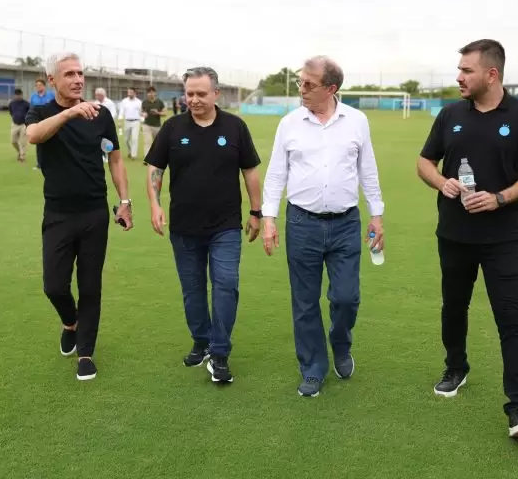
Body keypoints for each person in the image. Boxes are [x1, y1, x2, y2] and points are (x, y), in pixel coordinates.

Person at [416, 39, 518, 438]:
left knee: (512, 319)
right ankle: (455, 367)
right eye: (459, 70)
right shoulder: (450, 114)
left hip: (503, 239)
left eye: (467, 70)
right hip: (454, 235)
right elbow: (425, 162)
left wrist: (499, 198)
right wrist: (443, 183)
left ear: (491, 74)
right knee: (454, 307)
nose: (459, 76)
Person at [261, 55, 385, 398]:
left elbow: (367, 171)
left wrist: (376, 216)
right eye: (301, 82)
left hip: (346, 224)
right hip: (302, 223)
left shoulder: (357, 122)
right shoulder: (289, 124)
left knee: (347, 298)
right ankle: (313, 367)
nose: (301, 89)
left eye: (308, 84)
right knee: (304, 302)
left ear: (331, 88)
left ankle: (341, 345)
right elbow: (276, 174)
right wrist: (269, 218)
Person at [144, 66, 262, 384]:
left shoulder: (235, 127)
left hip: (226, 226)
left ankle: (220, 354)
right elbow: (155, 169)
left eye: (201, 93)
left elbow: (250, 171)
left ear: (216, 94)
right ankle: (201, 340)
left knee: (226, 285)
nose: (194, 99)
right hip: (183, 227)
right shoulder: (172, 128)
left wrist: (256, 212)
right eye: (189, 93)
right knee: (193, 290)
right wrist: (154, 205)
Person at [25, 51, 133, 382]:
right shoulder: (41, 111)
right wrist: (70, 114)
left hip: (93, 213)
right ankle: (70, 322)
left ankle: (85, 353)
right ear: (53, 80)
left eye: (80, 73)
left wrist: (125, 200)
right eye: (69, 74)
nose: (77, 79)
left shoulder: (100, 115)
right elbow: (34, 135)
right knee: (54, 285)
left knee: (90, 285)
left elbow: (115, 158)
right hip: (58, 213)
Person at [29, 79, 55, 170]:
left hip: (51, 122)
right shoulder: (33, 97)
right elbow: (31, 110)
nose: (38, 87)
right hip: (38, 123)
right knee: (39, 143)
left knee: (53, 142)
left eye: (40, 85)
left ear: (44, 86)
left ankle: (54, 162)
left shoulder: (51, 95)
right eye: (36, 85)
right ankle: (40, 163)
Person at [140, 86, 166, 164]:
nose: (151, 94)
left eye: (152, 92)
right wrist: (143, 114)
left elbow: (165, 113)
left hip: (157, 126)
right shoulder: (144, 102)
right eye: (149, 93)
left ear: (155, 93)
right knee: (147, 141)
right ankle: (147, 159)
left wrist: (158, 113)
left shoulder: (160, 102)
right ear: (147, 94)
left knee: (157, 143)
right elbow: (142, 111)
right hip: (147, 125)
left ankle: (157, 157)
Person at [94, 87, 119, 163]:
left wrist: (108, 121)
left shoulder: (109, 102)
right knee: (99, 140)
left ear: (103, 95)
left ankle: (109, 155)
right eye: (96, 95)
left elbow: (114, 113)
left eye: (99, 95)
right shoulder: (95, 103)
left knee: (108, 140)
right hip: (98, 125)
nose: (97, 97)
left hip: (108, 125)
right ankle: (102, 155)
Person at [118, 87, 143, 160]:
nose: (129, 94)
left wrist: (142, 122)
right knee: (126, 140)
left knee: (135, 139)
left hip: (136, 122)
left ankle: (133, 155)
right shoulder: (124, 101)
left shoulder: (139, 102)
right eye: (128, 92)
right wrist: (120, 121)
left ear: (135, 93)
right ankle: (129, 151)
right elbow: (121, 112)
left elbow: (141, 113)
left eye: (131, 92)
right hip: (127, 122)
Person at [8, 88, 30, 162]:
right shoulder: (12, 103)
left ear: (21, 95)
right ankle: (19, 152)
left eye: (19, 95)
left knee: (23, 141)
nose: (18, 96)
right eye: (16, 95)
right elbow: (11, 112)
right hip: (15, 124)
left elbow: (29, 112)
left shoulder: (26, 104)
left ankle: (22, 156)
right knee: (13, 141)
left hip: (23, 124)